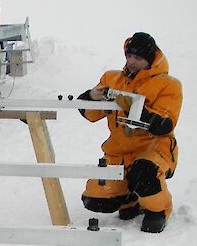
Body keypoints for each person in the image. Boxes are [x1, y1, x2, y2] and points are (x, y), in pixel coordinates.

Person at [77, 32, 182, 233]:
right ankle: (130, 197)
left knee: (144, 173)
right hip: (118, 154)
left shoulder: (169, 85)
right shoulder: (111, 78)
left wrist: (136, 109)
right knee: (95, 200)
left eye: (138, 58)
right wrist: (91, 96)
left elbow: (165, 123)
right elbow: (90, 114)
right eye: (129, 56)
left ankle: (159, 209)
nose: (132, 62)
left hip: (152, 151)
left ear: (150, 60)